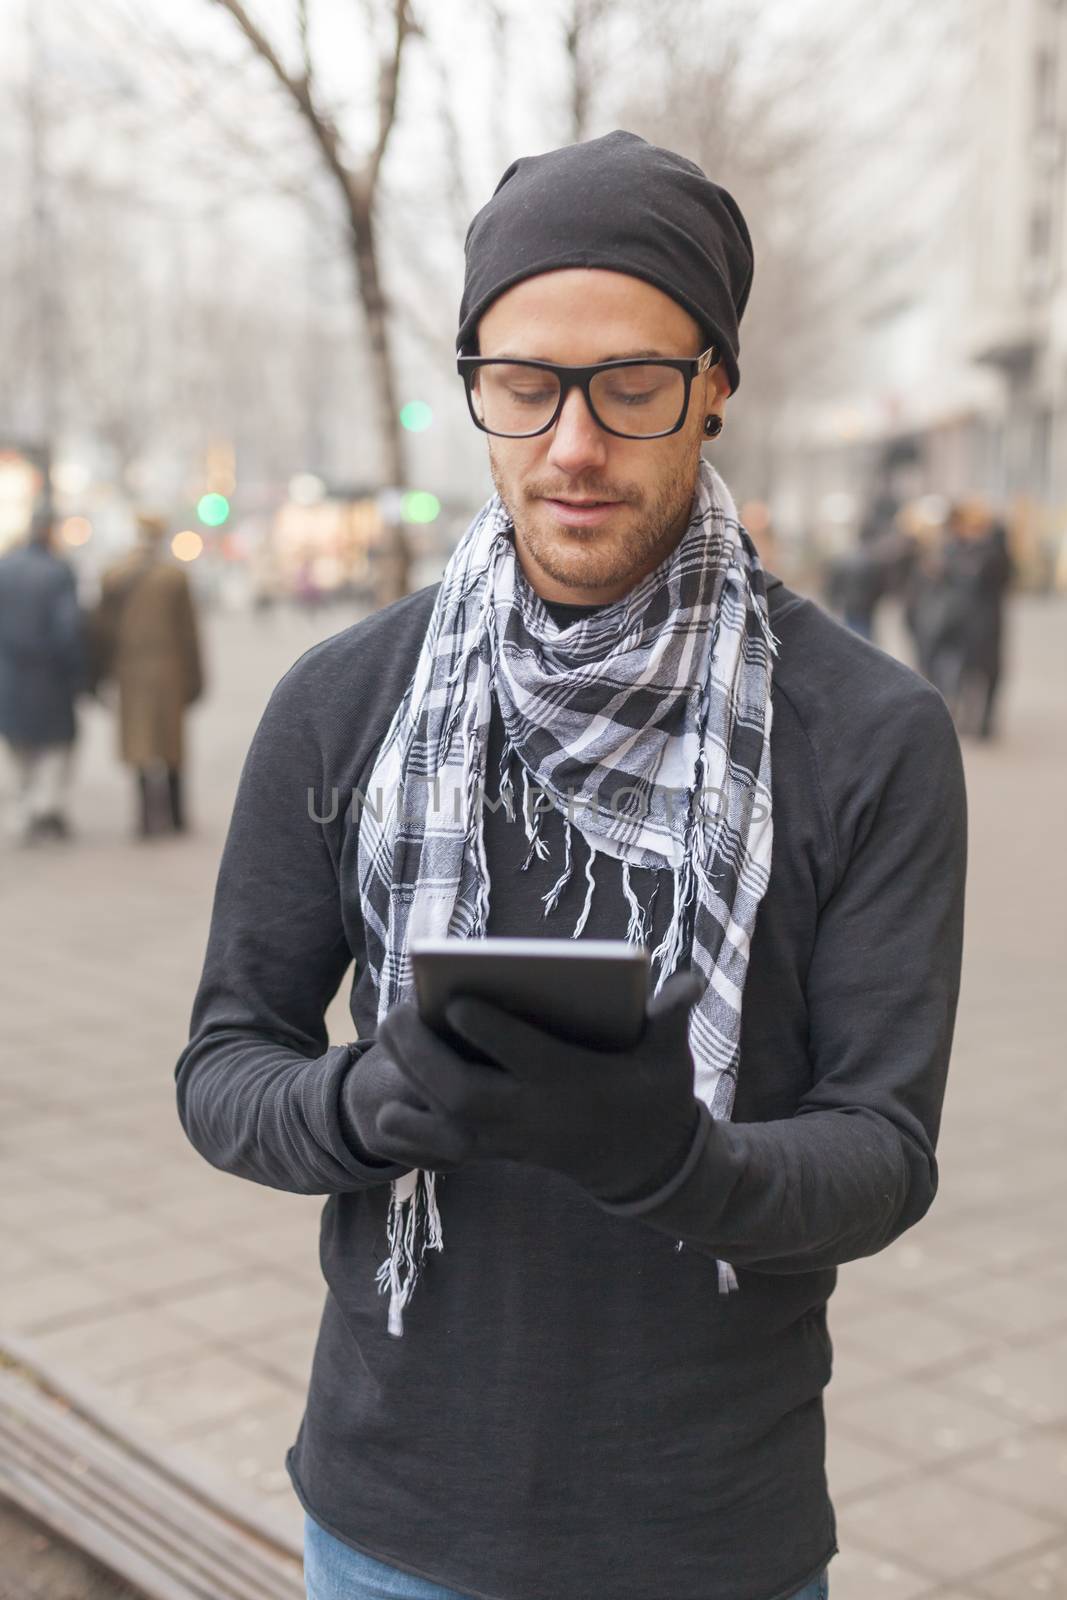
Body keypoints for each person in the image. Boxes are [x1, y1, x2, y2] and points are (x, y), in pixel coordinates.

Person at [176, 131, 966, 1600]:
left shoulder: (867, 732)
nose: (571, 443)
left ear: (713, 386)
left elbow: (881, 1152)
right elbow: (224, 1069)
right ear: (474, 377)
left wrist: (679, 1163)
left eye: (631, 384)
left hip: (707, 1535)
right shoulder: (344, 704)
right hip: (388, 1520)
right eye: (523, 383)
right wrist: (371, 1101)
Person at [92, 513, 203, 836]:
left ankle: (144, 818)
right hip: (170, 670)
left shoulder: (114, 576)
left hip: (130, 673)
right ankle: (176, 815)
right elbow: (189, 634)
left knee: (139, 744)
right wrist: (196, 678)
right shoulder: (174, 577)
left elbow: (101, 631)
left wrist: (98, 675)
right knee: (171, 745)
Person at [0, 510, 86, 844]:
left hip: (9, 676)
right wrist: (79, 674)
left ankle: (23, 810)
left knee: (18, 746)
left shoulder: (4, 569)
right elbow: (68, 629)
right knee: (55, 746)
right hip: (49, 677)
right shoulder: (58, 572)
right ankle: (44, 808)